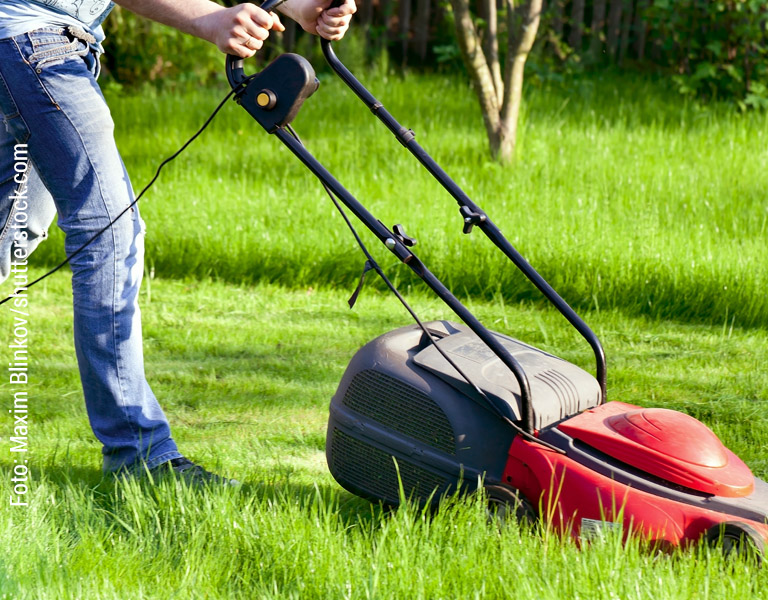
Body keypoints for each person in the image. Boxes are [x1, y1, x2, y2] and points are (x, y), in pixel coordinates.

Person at [0, 0, 356, 484]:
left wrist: (296, 6)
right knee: (109, 231)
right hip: (31, 42)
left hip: (41, 46)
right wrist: (207, 20)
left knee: (16, 222)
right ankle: (137, 455)